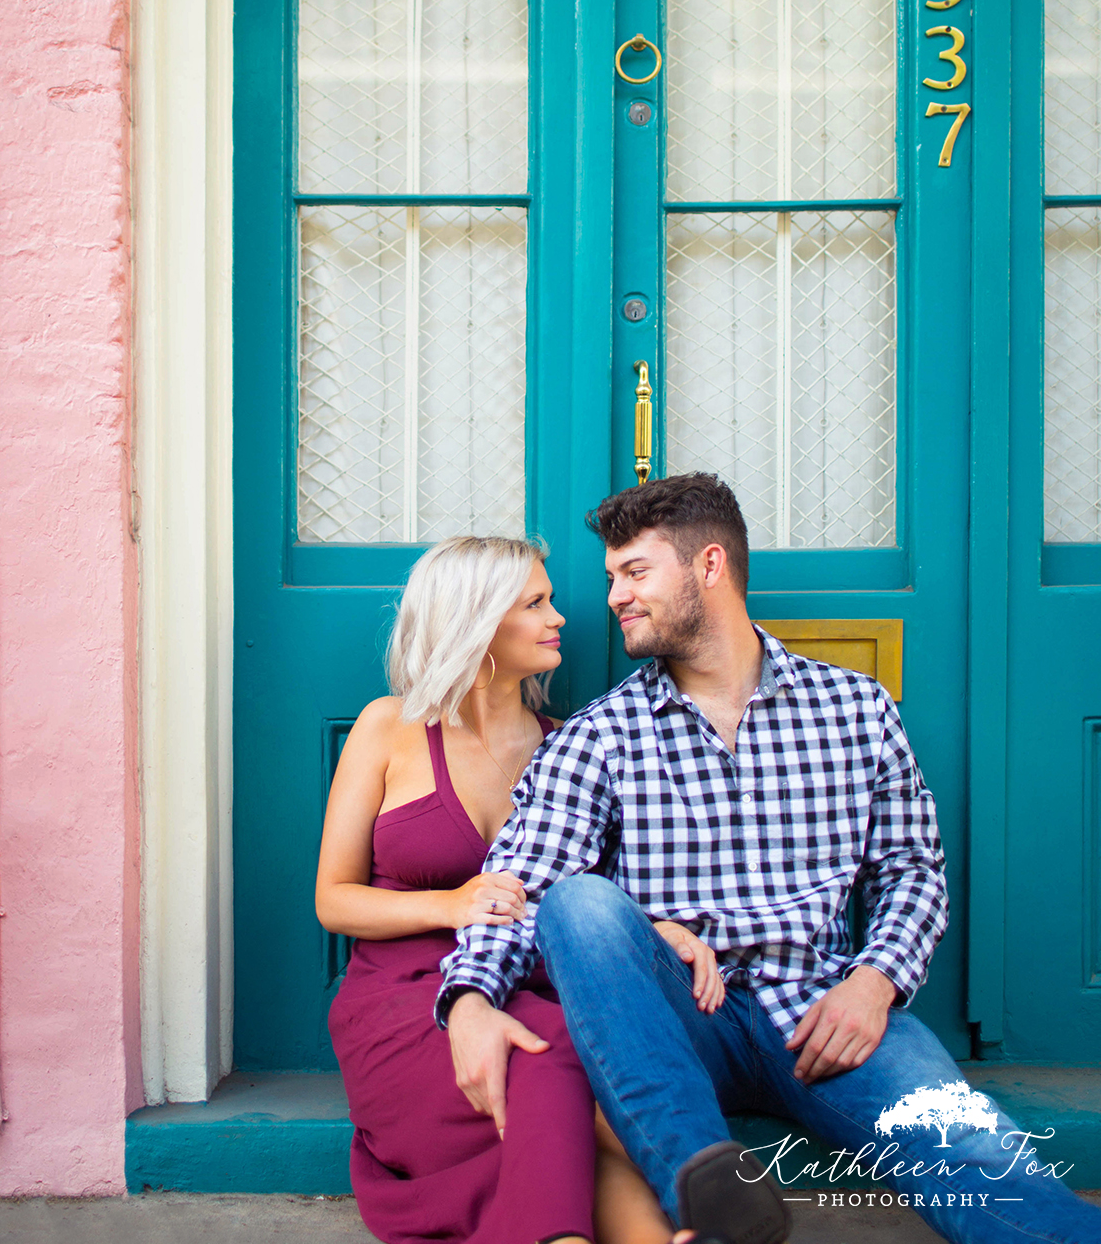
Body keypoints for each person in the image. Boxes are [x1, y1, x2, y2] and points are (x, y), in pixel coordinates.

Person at [438, 475, 1101, 1244]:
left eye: (635, 572)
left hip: (824, 1012)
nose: (615, 596)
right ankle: (710, 1189)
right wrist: (471, 998)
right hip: (678, 1018)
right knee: (578, 903)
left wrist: (875, 982)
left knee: (978, 1153)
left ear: (709, 566)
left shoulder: (854, 708)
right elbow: (523, 885)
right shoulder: (601, 735)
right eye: (612, 576)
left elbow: (912, 868)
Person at [316, 534, 675, 1244]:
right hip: (398, 999)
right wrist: (449, 905)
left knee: (557, 1063)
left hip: (523, 983)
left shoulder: (567, 745)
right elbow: (334, 899)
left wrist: (664, 930)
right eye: (535, 603)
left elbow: (599, 898)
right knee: (554, 1059)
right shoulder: (388, 728)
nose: (561, 617)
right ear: (478, 622)